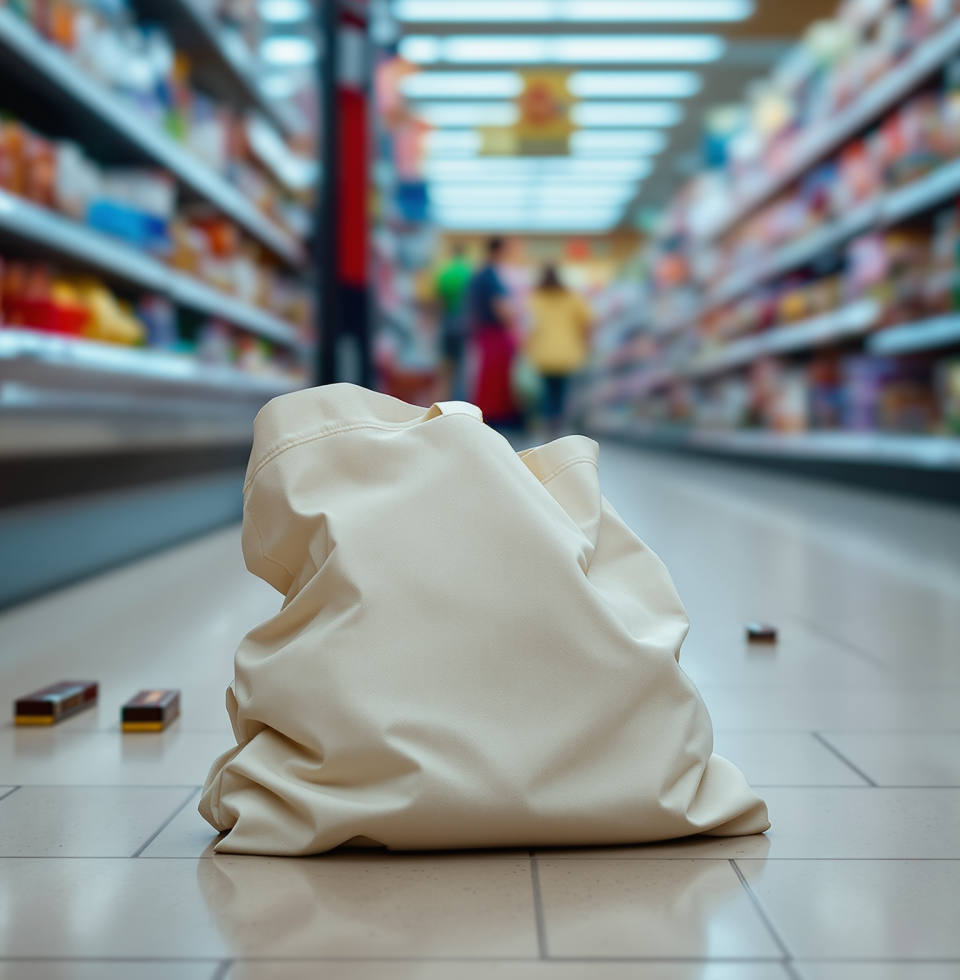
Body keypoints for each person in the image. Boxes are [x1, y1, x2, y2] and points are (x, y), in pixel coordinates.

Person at [526, 264, 593, 435]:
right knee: (562, 390)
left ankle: (548, 422)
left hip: (543, 352)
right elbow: (588, 320)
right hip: (567, 352)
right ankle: (559, 422)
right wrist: (584, 342)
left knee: (547, 390)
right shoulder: (571, 297)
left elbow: (529, 326)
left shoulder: (536, 297)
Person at [465, 237, 520, 428]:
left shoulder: (480, 274)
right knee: (496, 379)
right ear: (499, 250)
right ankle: (496, 417)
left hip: (482, 332)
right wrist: (515, 319)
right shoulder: (491, 276)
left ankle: (487, 414)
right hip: (494, 334)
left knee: (484, 378)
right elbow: (501, 307)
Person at [434, 244, 472, 401]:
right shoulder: (468, 273)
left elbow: (438, 300)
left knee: (447, 364)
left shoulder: (445, 273)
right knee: (462, 365)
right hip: (463, 322)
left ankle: (445, 398)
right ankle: (460, 399)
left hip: (447, 321)